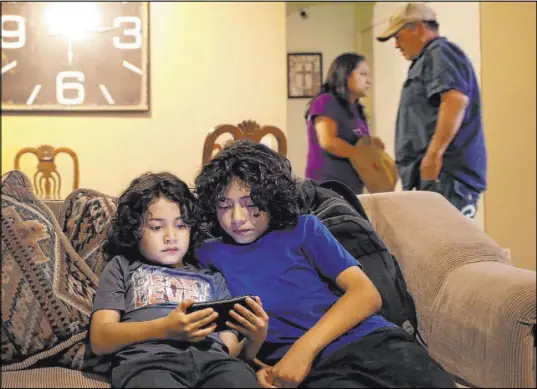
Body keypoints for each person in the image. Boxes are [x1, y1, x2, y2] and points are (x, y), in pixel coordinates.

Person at [194, 140, 456, 388]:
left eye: (251, 204)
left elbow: (366, 294)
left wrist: (303, 351)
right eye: (224, 205)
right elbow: (223, 336)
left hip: (370, 342)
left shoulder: (304, 229)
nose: (237, 218)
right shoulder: (209, 254)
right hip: (315, 373)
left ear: (272, 198)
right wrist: (255, 368)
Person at [90, 172, 268, 388]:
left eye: (181, 225)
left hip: (215, 363)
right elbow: (100, 338)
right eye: (156, 227)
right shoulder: (123, 267)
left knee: (239, 379)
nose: (171, 236)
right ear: (134, 229)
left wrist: (254, 340)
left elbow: (229, 350)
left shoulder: (212, 278)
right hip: (149, 363)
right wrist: (165, 328)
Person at [376, 2, 487, 219]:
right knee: (435, 249)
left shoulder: (441, 53)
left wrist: (434, 155)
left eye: (397, 36)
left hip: (446, 177)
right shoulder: (427, 59)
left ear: (416, 28)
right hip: (433, 179)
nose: (396, 45)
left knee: (452, 247)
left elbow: (455, 100)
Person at [304, 52, 385, 195]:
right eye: (363, 74)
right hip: (327, 186)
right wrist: (361, 155)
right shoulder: (326, 101)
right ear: (345, 74)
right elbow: (328, 141)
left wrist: (372, 145)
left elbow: (357, 142)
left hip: (352, 188)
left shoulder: (357, 110)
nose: (369, 81)